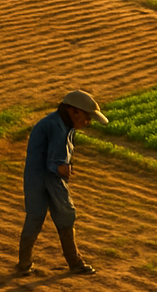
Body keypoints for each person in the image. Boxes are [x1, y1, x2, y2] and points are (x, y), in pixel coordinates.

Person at [17, 90, 108, 276]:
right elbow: (53, 162)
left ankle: (24, 264)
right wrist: (62, 169)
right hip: (45, 178)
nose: (88, 122)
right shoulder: (57, 128)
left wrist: (63, 166)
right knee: (63, 216)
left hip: (36, 178)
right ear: (74, 111)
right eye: (86, 117)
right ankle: (74, 262)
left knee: (36, 217)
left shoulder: (62, 125)